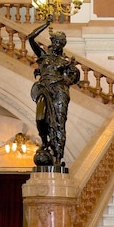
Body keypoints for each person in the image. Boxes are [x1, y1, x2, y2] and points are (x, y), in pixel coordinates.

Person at [28, 22, 81, 169]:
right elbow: (31, 38)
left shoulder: (64, 62)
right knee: (40, 117)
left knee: (59, 122)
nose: (58, 45)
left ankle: (58, 156)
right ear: (52, 42)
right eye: (56, 42)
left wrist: (68, 77)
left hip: (59, 90)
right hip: (44, 88)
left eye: (61, 43)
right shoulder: (43, 56)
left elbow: (74, 77)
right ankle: (45, 141)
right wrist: (45, 24)